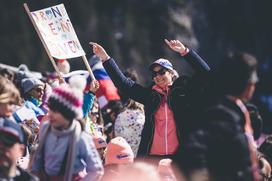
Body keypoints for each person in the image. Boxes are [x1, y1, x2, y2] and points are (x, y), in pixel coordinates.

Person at [90, 39, 210, 164]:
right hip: (152, 158)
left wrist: (185, 51)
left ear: (172, 73)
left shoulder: (184, 91)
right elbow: (123, 84)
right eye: (154, 74)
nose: (157, 76)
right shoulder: (150, 96)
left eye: (162, 72)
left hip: (180, 157)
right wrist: (106, 58)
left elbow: (206, 74)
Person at [182, 52, 261, 181]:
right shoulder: (222, 115)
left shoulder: (239, 111)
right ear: (249, 84)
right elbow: (191, 152)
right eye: (254, 79)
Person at [31, 78, 104, 181]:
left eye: (55, 111)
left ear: (69, 114)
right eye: (50, 109)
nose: (50, 114)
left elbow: (96, 170)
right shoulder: (46, 129)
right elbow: (38, 159)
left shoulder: (81, 138)